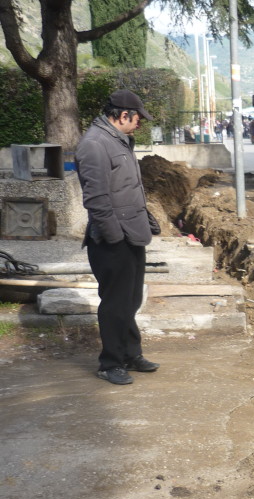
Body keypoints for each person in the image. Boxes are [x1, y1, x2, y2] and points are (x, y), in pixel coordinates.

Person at [75, 90, 160, 385]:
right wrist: (114, 238)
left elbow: (126, 189)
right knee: (115, 303)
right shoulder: (94, 145)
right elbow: (97, 200)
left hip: (132, 234)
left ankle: (130, 354)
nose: (139, 124)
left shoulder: (116, 140)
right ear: (123, 115)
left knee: (131, 299)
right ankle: (110, 363)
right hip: (113, 240)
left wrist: (145, 221)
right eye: (138, 119)